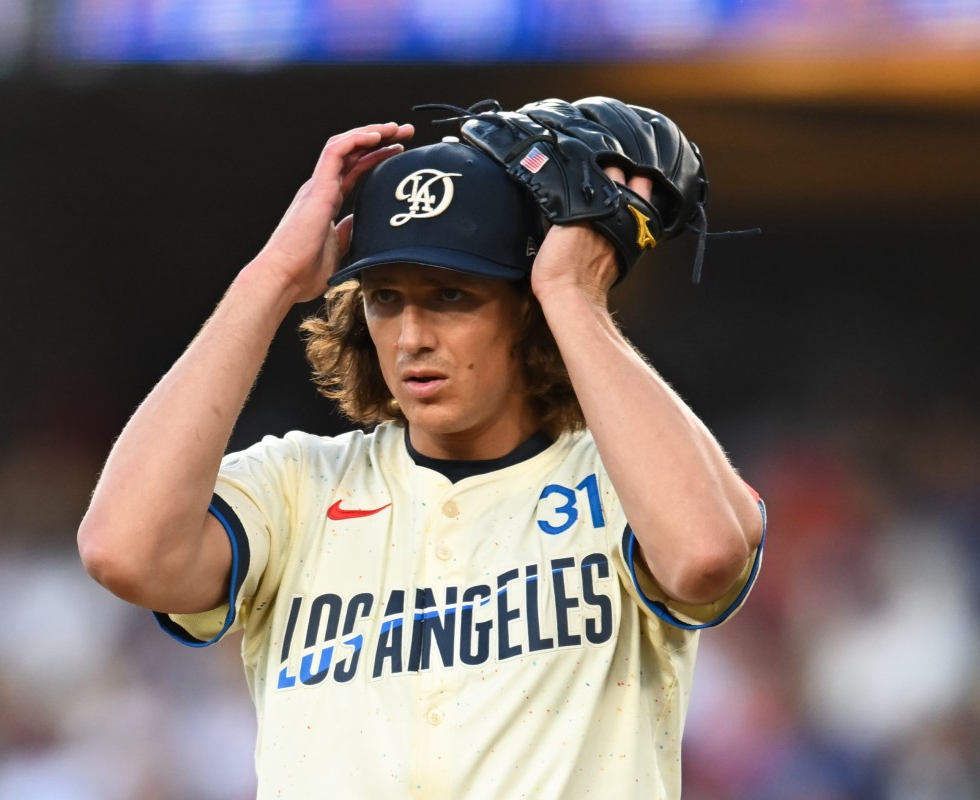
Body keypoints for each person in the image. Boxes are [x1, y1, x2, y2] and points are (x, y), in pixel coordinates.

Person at [78, 118, 766, 798]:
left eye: (450, 297)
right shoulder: (299, 485)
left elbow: (704, 556)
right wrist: (270, 280)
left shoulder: (623, 474)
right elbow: (124, 551)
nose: (411, 338)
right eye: (385, 299)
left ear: (524, 308)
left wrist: (573, 297)